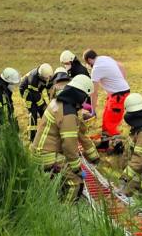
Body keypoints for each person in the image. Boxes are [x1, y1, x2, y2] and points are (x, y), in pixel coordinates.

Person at [30, 74, 94, 202]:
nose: (85, 101)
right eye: (85, 97)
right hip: (47, 155)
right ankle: (67, 212)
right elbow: (69, 147)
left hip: (38, 151)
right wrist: (77, 169)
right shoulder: (68, 113)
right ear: (80, 94)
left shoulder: (57, 101)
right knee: (75, 182)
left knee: (63, 177)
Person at [48, 68, 100, 164]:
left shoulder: (55, 88)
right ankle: (95, 157)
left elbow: (51, 101)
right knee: (80, 135)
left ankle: (88, 156)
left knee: (70, 135)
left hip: (63, 116)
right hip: (74, 113)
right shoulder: (72, 83)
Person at [82, 49, 130, 153]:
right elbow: (121, 65)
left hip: (118, 96)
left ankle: (118, 147)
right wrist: (123, 81)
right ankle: (104, 144)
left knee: (110, 123)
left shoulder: (96, 69)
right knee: (105, 119)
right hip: (116, 94)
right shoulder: (105, 58)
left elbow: (94, 92)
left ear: (89, 60)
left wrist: (93, 111)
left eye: (87, 63)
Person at [119, 93, 142, 195]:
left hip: (140, 175)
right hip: (135, 172)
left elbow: (139, 159)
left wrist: (124, 178)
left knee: (124, 198)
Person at [19, 63, 54, 141]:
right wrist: (43, 107)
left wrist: (48, 105)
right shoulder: (33, 80)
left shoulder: (46, 72)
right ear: (41, 76)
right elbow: (36, 97)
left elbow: (46, 90)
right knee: (33, 111)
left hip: (35, 90)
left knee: (43, 111)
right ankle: (32, 137)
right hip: (26, 91)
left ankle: (48, 132)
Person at [0, 67, 20, 135]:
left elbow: (9, 112)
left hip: (8, 133)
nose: (14, 86)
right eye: (12, 84)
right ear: (7, 82)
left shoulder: (6, 93)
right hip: (1, 135)